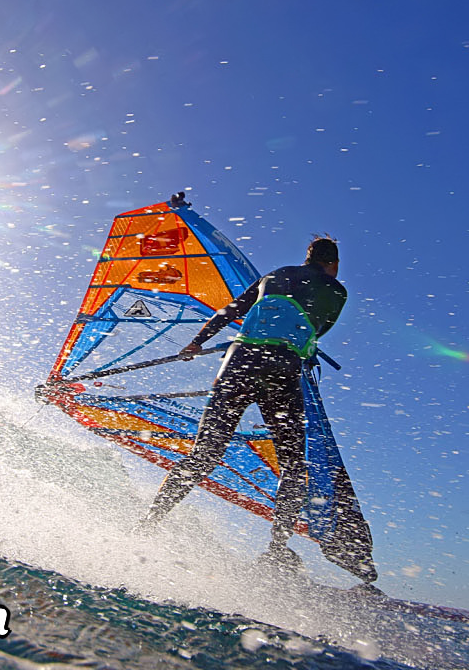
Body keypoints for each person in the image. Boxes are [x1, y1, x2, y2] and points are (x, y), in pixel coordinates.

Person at [140, 235, 347, 570]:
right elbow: (319, 327)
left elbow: (231, 310)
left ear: (307, 257)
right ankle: (277, 547)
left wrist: (196, 343)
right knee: (294, 466)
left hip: (239, 360)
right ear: (333, 264)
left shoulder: (274, 275)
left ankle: (149, 521)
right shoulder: (338, 291)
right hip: (282, 368)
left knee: (205, 453)